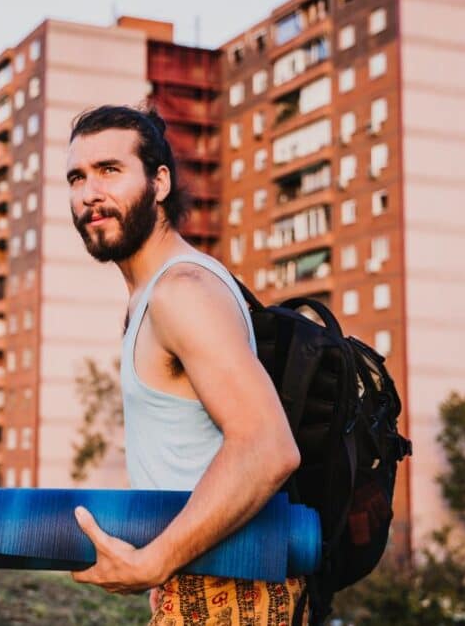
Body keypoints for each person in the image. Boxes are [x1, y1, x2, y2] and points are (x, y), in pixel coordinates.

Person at [65, 105, 306, 625]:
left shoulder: (183, 292)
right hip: (198, 586)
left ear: (159, 182)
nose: (89, 193)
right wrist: (167, 567)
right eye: (76, 177)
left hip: (236, 598)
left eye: (110, 170)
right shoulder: (147, 299)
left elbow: (268, 448)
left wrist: (155, 561)